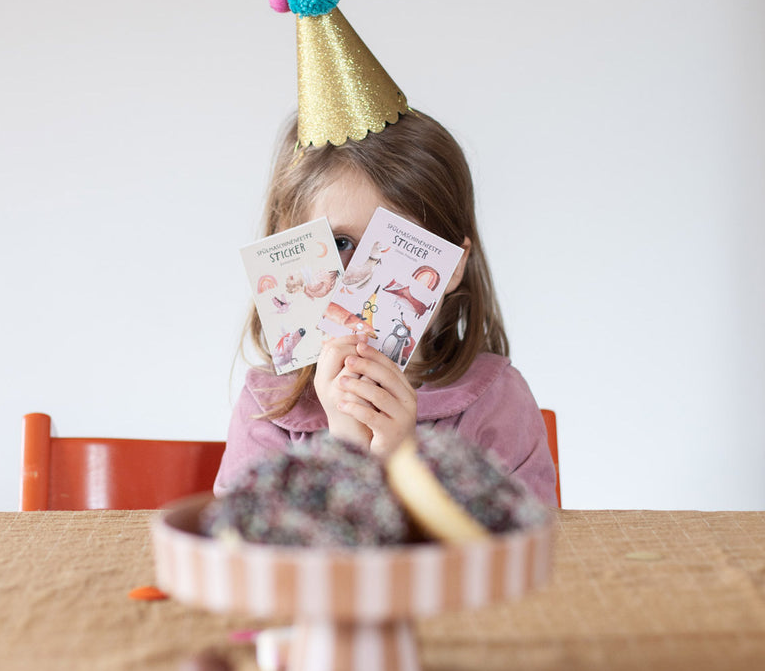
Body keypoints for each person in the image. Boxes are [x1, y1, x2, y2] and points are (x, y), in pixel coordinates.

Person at [214, 108, 557, 506]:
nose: (361, 278)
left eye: (400, 244)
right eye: (341, 243)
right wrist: (348, 453)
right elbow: (246, 554)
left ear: (453, 266)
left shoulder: (499, 403)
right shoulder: (267, 408)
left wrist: (401, 467)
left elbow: (523, 552)